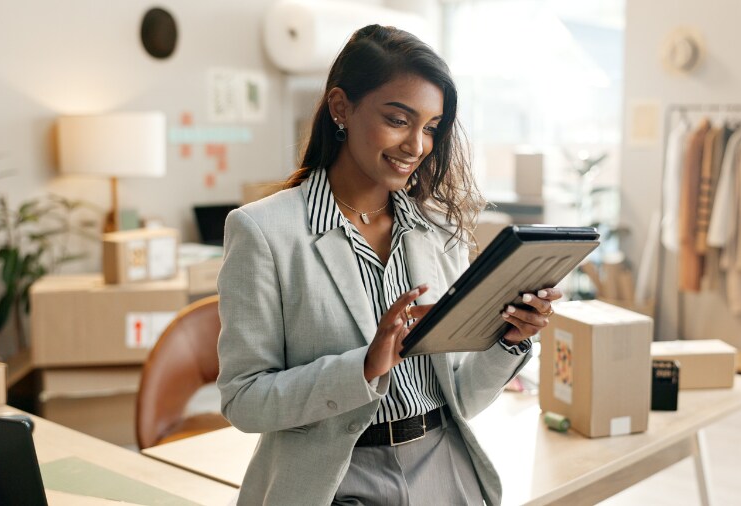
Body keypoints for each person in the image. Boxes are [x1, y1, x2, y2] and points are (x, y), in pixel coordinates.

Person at [217, 24, 560, 505]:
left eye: (430, 127)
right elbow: (244, 400)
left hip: (444, 469)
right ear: (341, 108)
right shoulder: (263, 231)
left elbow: (461, 399)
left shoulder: (439, 231)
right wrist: (363, 366)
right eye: (399, 120)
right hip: (335, 483)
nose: (417, 145)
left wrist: (508, 342)